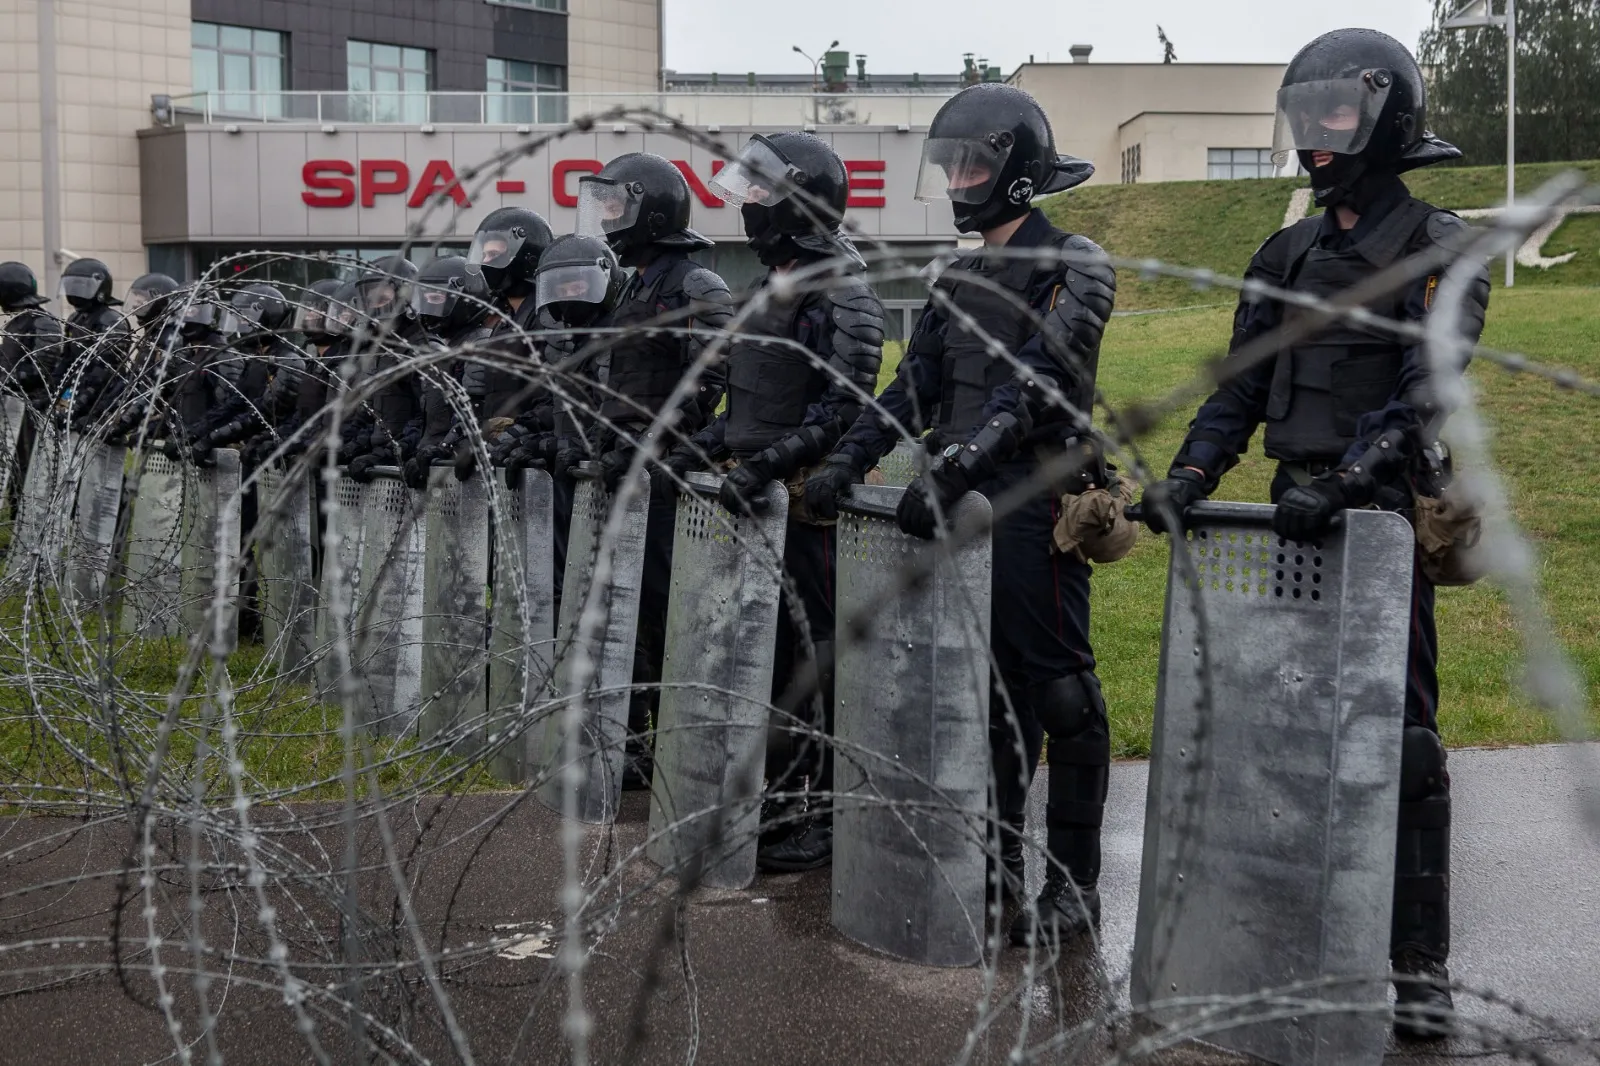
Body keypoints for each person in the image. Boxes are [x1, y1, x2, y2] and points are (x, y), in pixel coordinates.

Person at [1138, 28, 1486, 1041]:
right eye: (1308, 114)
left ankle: (1415, 961)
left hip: (1377, 518)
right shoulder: (1286, 250)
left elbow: (1430, 387)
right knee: (1277, 728)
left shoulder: (1437, 244)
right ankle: (1287, 924)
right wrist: (1193, 473)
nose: (1318, 135)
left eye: (1338, 113)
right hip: (1286, 514)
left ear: (1387, 119)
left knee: (1402, 740)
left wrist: (1346, 481)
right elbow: (1241, 383)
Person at [802, 83, 1116, 946]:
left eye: (974, 162)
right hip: (966, 504)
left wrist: (960, 464)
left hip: (1031, 501)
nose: (959, 179)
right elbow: (912, 387)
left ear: (1014, 169)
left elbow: (1034, 381)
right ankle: (999, 867)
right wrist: (845, 461)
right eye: (951, 164)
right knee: (989, 696)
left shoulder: (1073, 263)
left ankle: (1075, 886)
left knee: (1059, 692)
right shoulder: (960, 275)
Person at [672, 131, 885, 871]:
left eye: (762, 192)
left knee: (815, 653)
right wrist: (702, 445)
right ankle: (784, 796)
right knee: (770, 658)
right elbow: (752, 398)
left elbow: (843, 409)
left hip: (809, 503)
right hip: (758, 495)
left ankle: (826, 812)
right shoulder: (774, 288)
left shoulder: (842, 291)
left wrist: (769, 463)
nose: (750, 205)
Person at [571, 151, 735, 788]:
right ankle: (636, 740)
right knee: (630, 610)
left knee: (668, 608)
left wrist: (653, 440)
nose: (608, 216)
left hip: (666, 475)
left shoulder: (697, 284)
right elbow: (610, 373)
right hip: (626, 468)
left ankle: (675, 742)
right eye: (605, 205)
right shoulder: (632, 284)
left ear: (652, 210)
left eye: (618, 205)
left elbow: (712, 373)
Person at [404, 255, 495, 489]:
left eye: (436, 298)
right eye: (425, 298)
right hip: (436, 469)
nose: (429, 307)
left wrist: (443, 450)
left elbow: (475, 414)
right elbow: (429, 415)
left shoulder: (479, 346)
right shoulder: (443, 349)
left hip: (459, 474)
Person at [54, 257, 132, 428]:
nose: (74, 292)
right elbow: (66, 360)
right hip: (76, 391)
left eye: (80, 286)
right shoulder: (75, 319)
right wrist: (53, 392)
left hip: (103, 399)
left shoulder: (111, 320)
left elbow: (105, 370)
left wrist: (81, 403)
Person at [0, 262, 67, 412]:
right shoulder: (18, 320)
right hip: (10, 402)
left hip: (32, 405)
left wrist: (6, 381)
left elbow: (40, 370)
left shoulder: (43, 322)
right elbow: (8, 357)